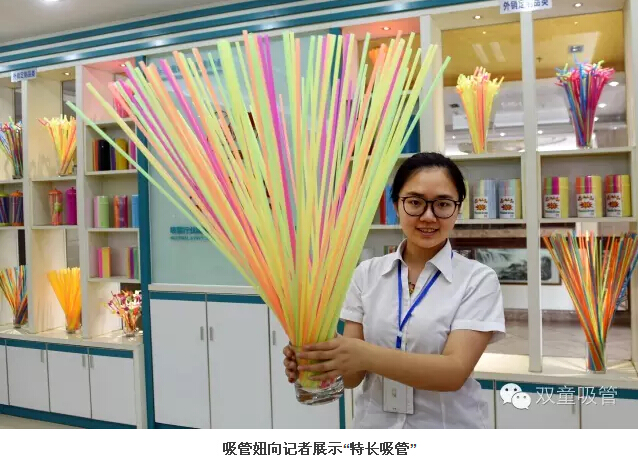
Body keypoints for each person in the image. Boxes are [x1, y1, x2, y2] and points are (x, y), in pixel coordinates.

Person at [283, 152, 506, 429]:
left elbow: (454, 373)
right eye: (415, 202)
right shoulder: (367, 274)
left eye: (443, 204)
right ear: (396, 206)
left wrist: (361, 353)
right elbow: (352, 377)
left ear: (458, 209)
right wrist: (323, 360)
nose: (428, 216)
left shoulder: (478, 280)